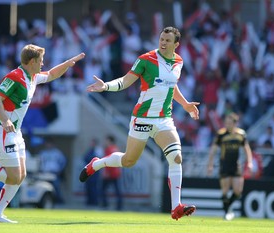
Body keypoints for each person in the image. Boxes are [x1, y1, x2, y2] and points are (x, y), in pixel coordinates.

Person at [0, 44, 85, 223]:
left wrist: (68, 63)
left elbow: (52, 74)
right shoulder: (14, 77)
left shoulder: (32, 77)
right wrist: (6, 120)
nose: (43, 64)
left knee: (20, 176)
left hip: (15, 133)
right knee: (13, 176)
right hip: (2, 130)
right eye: (40, 61)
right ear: (31, 61)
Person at [79, 26, 199, 220]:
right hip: (142, 118)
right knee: (128, 161)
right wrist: (106, 86)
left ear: (176, 44)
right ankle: (97, 163)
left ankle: (176, 206)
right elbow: (126, 82)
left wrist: (185, 104)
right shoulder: (146, 59)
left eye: (168, 40)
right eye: (161, 38)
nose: (163, 42)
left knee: (176, 157)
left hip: (164, 119)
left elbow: (171, 86)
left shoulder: (179, 61)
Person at [207, 112, 253, 221]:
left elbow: (246, 149)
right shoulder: (221, 134)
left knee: (237, 191)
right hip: (224, 165)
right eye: (226, 122)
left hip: (236, 165)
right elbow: (213, 149)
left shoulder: (241, 134)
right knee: (225, 190)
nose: (227, 125)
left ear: (235, 123)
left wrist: (250, 162)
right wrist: (210, 164)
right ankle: (227, 212)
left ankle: (228, 209)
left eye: (229, 123)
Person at [38, 138, 67, 204]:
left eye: (50, 144)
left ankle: (58, 200)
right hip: (45, 173)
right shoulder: (43, 153)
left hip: (54, 173)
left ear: (53, 144)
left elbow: (63, 162)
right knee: (44, 187)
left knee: (56, 187)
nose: (48, 145)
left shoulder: (57, 153)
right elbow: (39, 162)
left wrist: (60, 170)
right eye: (47, 144)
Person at [101, 135, 123, 210]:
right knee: (117, 190)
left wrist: (106, 172)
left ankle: (105, 205)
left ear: (110, 141)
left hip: (110, 173)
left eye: (106, 140)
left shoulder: (108, 149)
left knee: (102, 189)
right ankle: (119, 206)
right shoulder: (116, 149)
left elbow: (107, 162)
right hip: (116, 172)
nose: (105, 142)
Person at [82, 138, 103, 207]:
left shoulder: (98, 150)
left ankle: (94, 202)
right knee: (88, 187)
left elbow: (98, 159)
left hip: (95, 172)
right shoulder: (90, 150)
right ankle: (89, 201)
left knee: (94, 187)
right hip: (89, 172)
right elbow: (85, 157)